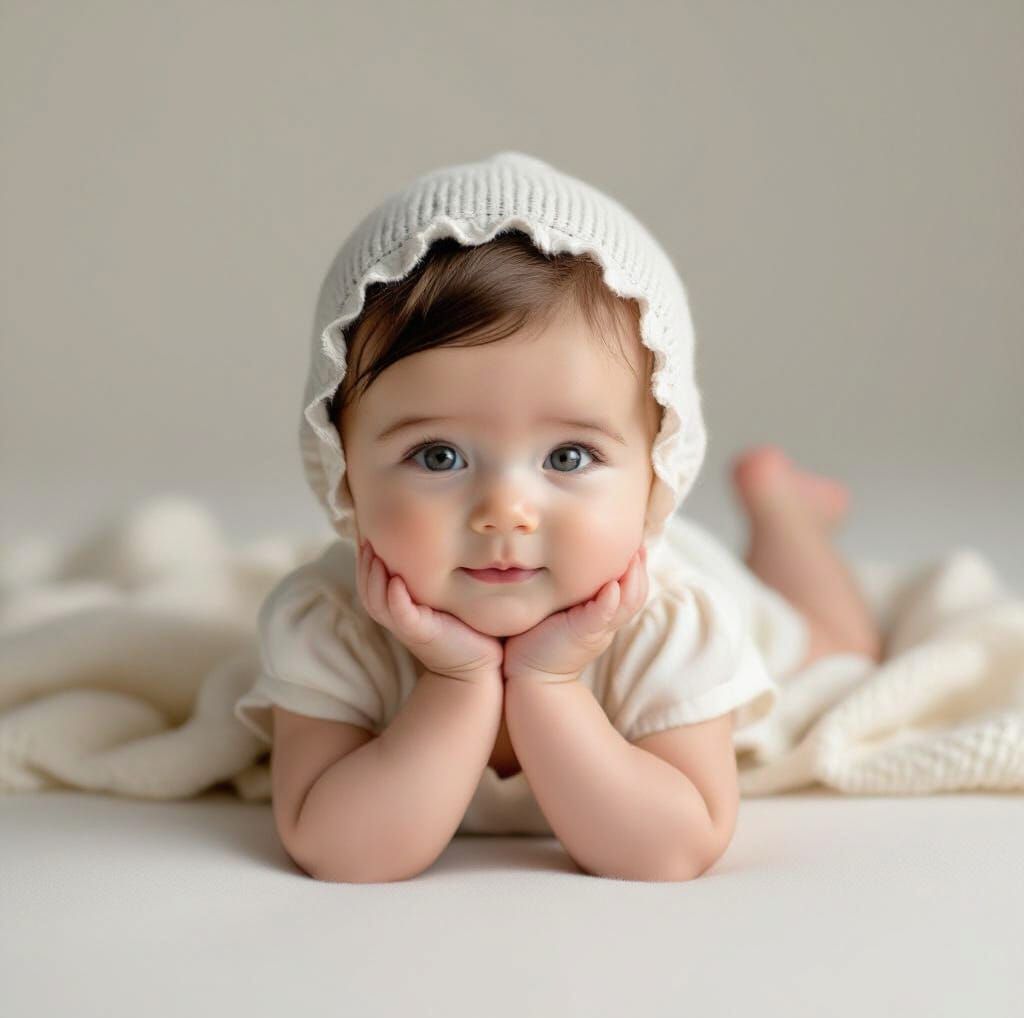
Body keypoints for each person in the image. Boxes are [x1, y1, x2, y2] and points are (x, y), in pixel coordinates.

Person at [233, 152, 881, 883]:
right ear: (343, 464)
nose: (505, 512)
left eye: (569, 457)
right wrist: (458, 681)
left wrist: (548, 684)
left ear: (657, 465)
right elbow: (337, 849)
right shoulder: (333, 621)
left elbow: (673, 848)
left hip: (676, 587)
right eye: (439, 456)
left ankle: (782, 509)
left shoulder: (669, 621)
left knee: (839, 649)